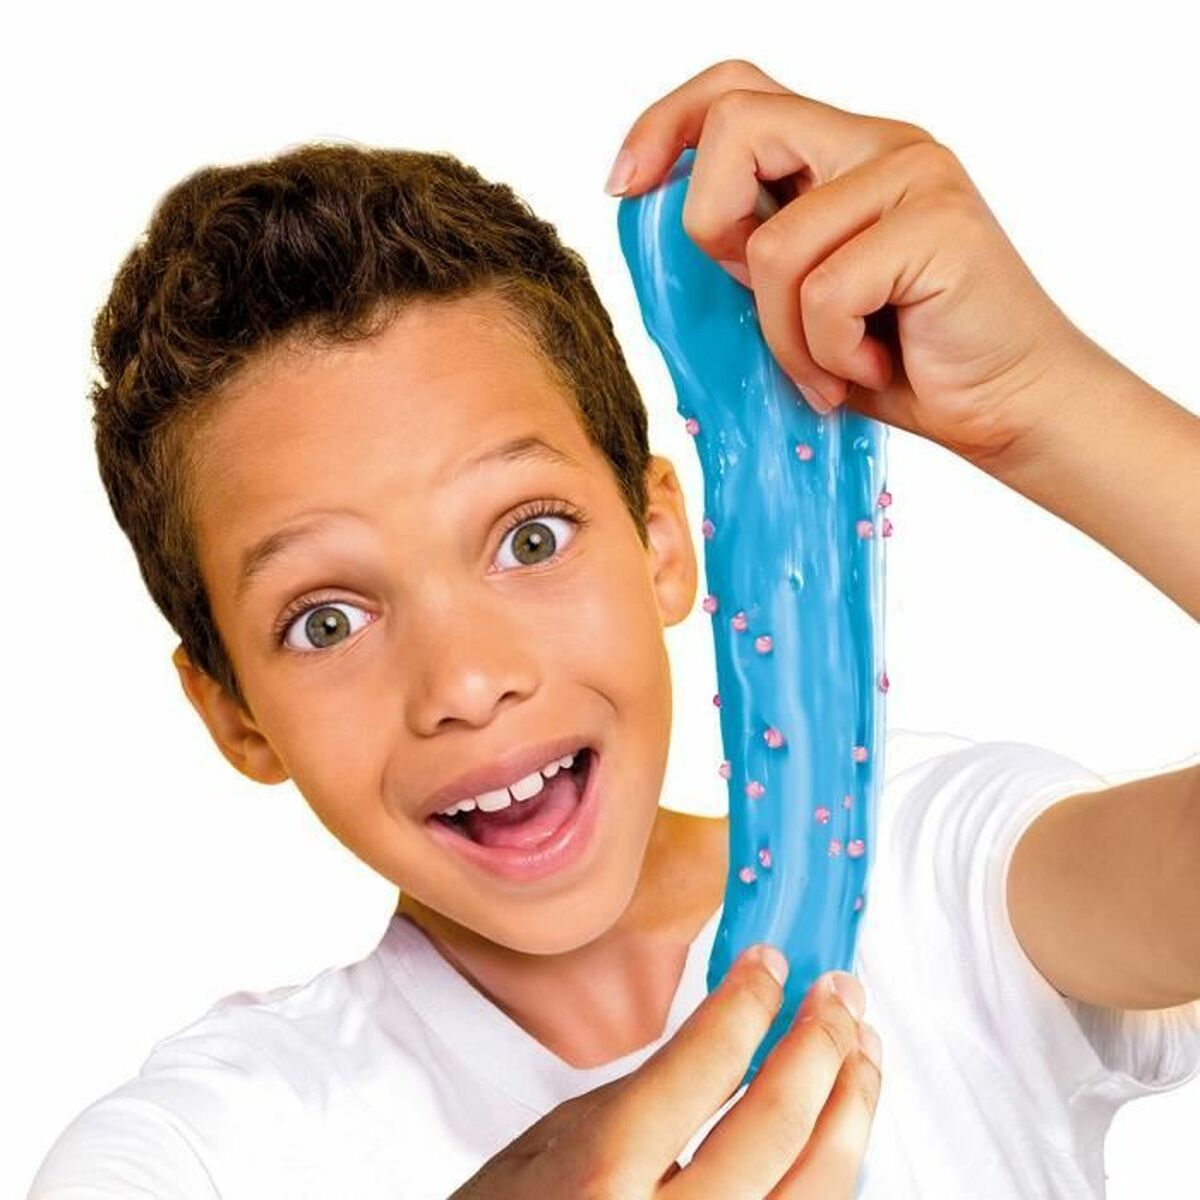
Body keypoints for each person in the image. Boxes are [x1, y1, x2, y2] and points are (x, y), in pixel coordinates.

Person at [28, 57, 1199, 1199]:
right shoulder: (205, 1151)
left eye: (530, 538)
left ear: (663, 544)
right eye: (326, 621)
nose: (467, 682)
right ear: (235, 714)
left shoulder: (945, 886)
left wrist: (1043, 401)